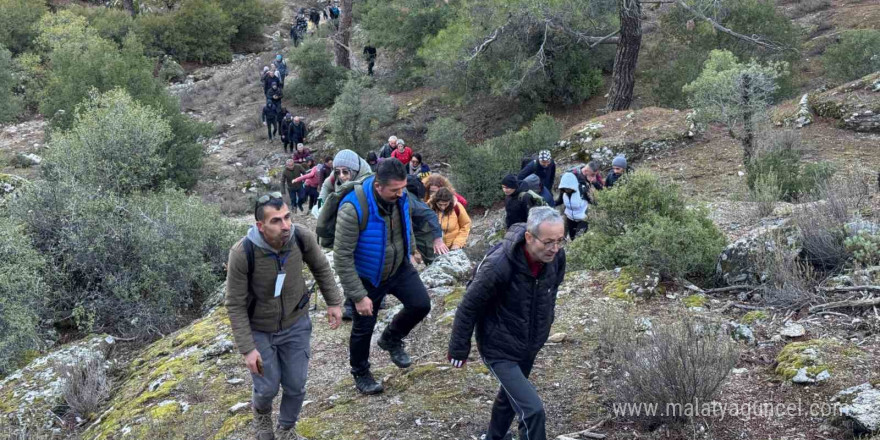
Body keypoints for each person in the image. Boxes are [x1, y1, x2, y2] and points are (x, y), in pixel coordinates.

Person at [225, 193, 343, 440]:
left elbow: (321, 267)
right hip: (259, 329)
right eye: (276, 221)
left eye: (287, 217)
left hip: (296, 322)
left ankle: (286, 429)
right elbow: (234, 304)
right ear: (261, 226)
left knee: (296, 384)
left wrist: (333, 302)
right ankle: (261, 413)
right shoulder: (242, 252)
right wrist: (247, 349)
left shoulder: (301, 237)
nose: (286, 225)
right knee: (267, 387)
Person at [447, 207, 566, 440]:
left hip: (529, 343)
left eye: (560, 240)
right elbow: (468, 306)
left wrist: (545, 323)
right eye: (549, 241)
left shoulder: (556, 257)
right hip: (498, 347)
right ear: (529, 237)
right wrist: (458, 348)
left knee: (509, 400)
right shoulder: (499, 264)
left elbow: (551, 290)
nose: (555, 248)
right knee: (533, 411)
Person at [334, 159, 430, 395]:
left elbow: (405, 224)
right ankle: (360, 372)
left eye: (402, 188)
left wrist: (413, 248)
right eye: (394, 190)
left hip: (398, 266)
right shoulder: (353, 207)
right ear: (378, 186)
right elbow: (342, 256)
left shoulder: (402, 196)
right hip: (368, 275)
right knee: (363, 328)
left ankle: (391, 338)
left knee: (421, 304)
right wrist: (357, 296)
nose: (400, 193)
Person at [407, 174, 448, 266]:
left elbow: (430, 214)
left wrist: (438, 239)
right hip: (413, 228)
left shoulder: (411, 201)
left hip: (422, 229)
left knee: (434, 258)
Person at [558, 172, 588, 240]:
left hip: (582, 219)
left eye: (568, 187)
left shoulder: (582, 190)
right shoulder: (564, 192)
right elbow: (559, 201)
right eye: (564, 188)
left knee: (580, 239)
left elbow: (593, 200)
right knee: (572, 237)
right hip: (570, 218)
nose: (566, 190)